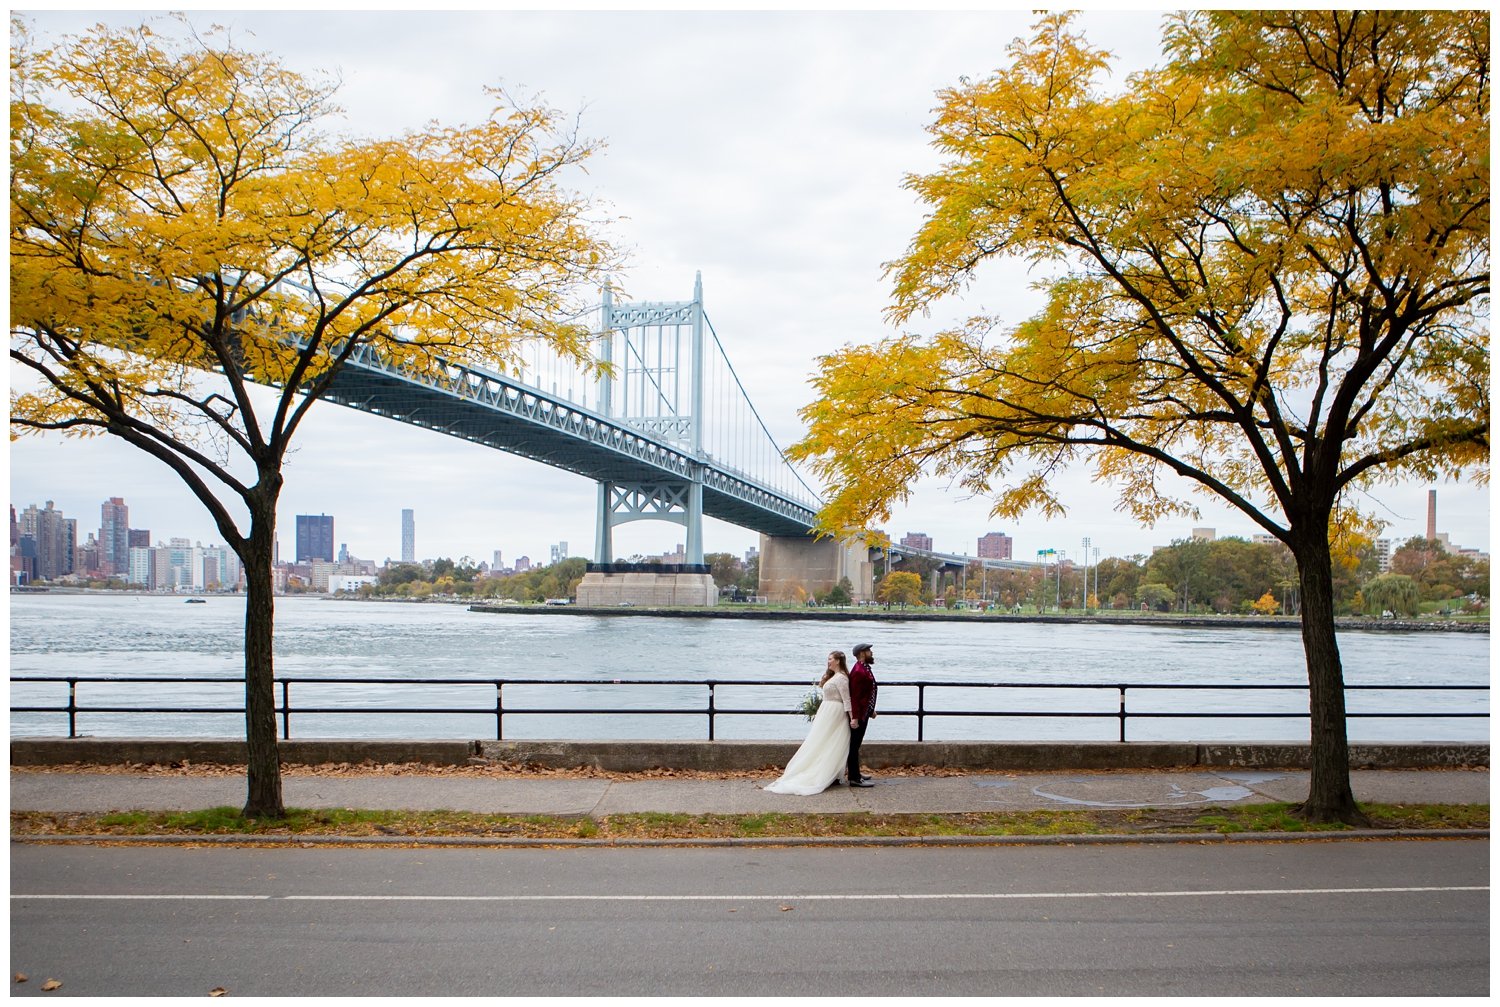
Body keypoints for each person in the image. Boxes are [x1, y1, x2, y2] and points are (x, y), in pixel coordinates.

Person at [764, 651, 856, 795]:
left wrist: (852, 717)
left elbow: (846, 699)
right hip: (827, 711)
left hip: (835, 712)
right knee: (820, 741)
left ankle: (828, 773)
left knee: (831, 742)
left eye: (830, 659)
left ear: (838, 661)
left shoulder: (842, 678)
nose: (828, 661)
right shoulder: (833, 677)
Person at [847, 642, 879, 787]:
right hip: (859, 715)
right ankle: (854, 778)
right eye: (868, 651)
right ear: (861, 653)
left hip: (864, 712)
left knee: (856, 745)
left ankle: (856, 773)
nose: (871, 653)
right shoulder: (859, 671)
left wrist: (870, 709)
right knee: (853, 746)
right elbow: (855, 696)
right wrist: (855, 717)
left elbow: (866, 694)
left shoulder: (864, 668)